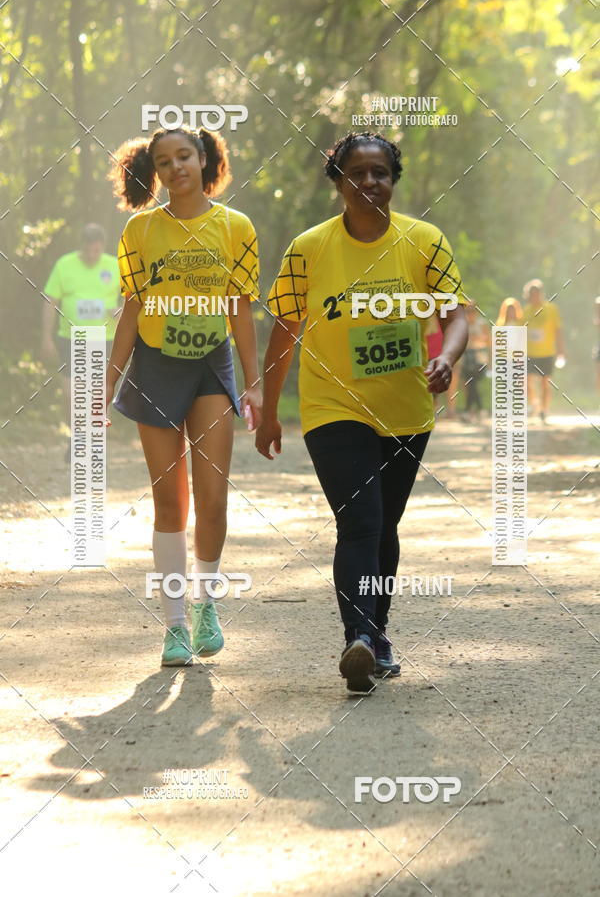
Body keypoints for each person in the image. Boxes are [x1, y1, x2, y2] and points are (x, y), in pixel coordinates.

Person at [255, 131, 468, 693]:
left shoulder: (424, 241)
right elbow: (284, 331)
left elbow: (457, 315)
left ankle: (376, 637)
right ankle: (360, 637)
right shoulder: (309, 248)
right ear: (338, 182)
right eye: (357, 172)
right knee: (361, 522)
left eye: (380, 172)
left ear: (393, 180)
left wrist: (446, 356)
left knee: (385, 526)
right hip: (331, 407)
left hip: (405, 411)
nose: (370, 181)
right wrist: (271, 409)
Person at [106, 125, 262, 666]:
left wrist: (254, 380)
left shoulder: (235, 226)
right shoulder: (140, 230)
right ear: (155, 171)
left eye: (185, 156)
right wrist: (107, 379)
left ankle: (206, 605)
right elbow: (132, 308)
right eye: (165, 161)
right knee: (168, 501)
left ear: (205, 160)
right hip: (154, 366)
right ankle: (174, 626)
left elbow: (240, 309)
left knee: (212, 496)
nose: (177, 168)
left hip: (210, 368)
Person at [41, 223, 120, 459]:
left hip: (104, 338)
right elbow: (50, 300)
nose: (92, 255)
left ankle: (95, 441)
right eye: (88, 251)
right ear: (81, 247)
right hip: (71, 338)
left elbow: (132, 300)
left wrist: (119, 311)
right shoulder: (65, 265)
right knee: (70, 393)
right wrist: (46, 336)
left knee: (98, 393)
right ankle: (76, 435)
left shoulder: (114, 266)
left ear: (102, 247)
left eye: (96, 251)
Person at [521, 279, 565, 423]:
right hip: (530, 352)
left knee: (545, 383)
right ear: (528, 295)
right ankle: (535, 404)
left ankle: (544, 410)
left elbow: (558, 330)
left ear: (541, 293)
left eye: (537, 293)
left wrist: (561, 350)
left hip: (547, 352)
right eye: (532, 294)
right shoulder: (526, 311)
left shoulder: (551, 309)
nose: (535, 296)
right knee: (526, 382)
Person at [461, 301, 491, 421]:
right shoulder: (462, 324)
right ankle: (478, 409)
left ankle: (469, 410)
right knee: (469, 383)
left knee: (472, 382)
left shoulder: (481, 324)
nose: (470, 313)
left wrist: (490, 361)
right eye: (467, 311)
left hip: (479, 357)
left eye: (472, 310)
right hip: (466, 357)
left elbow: (488, 342)